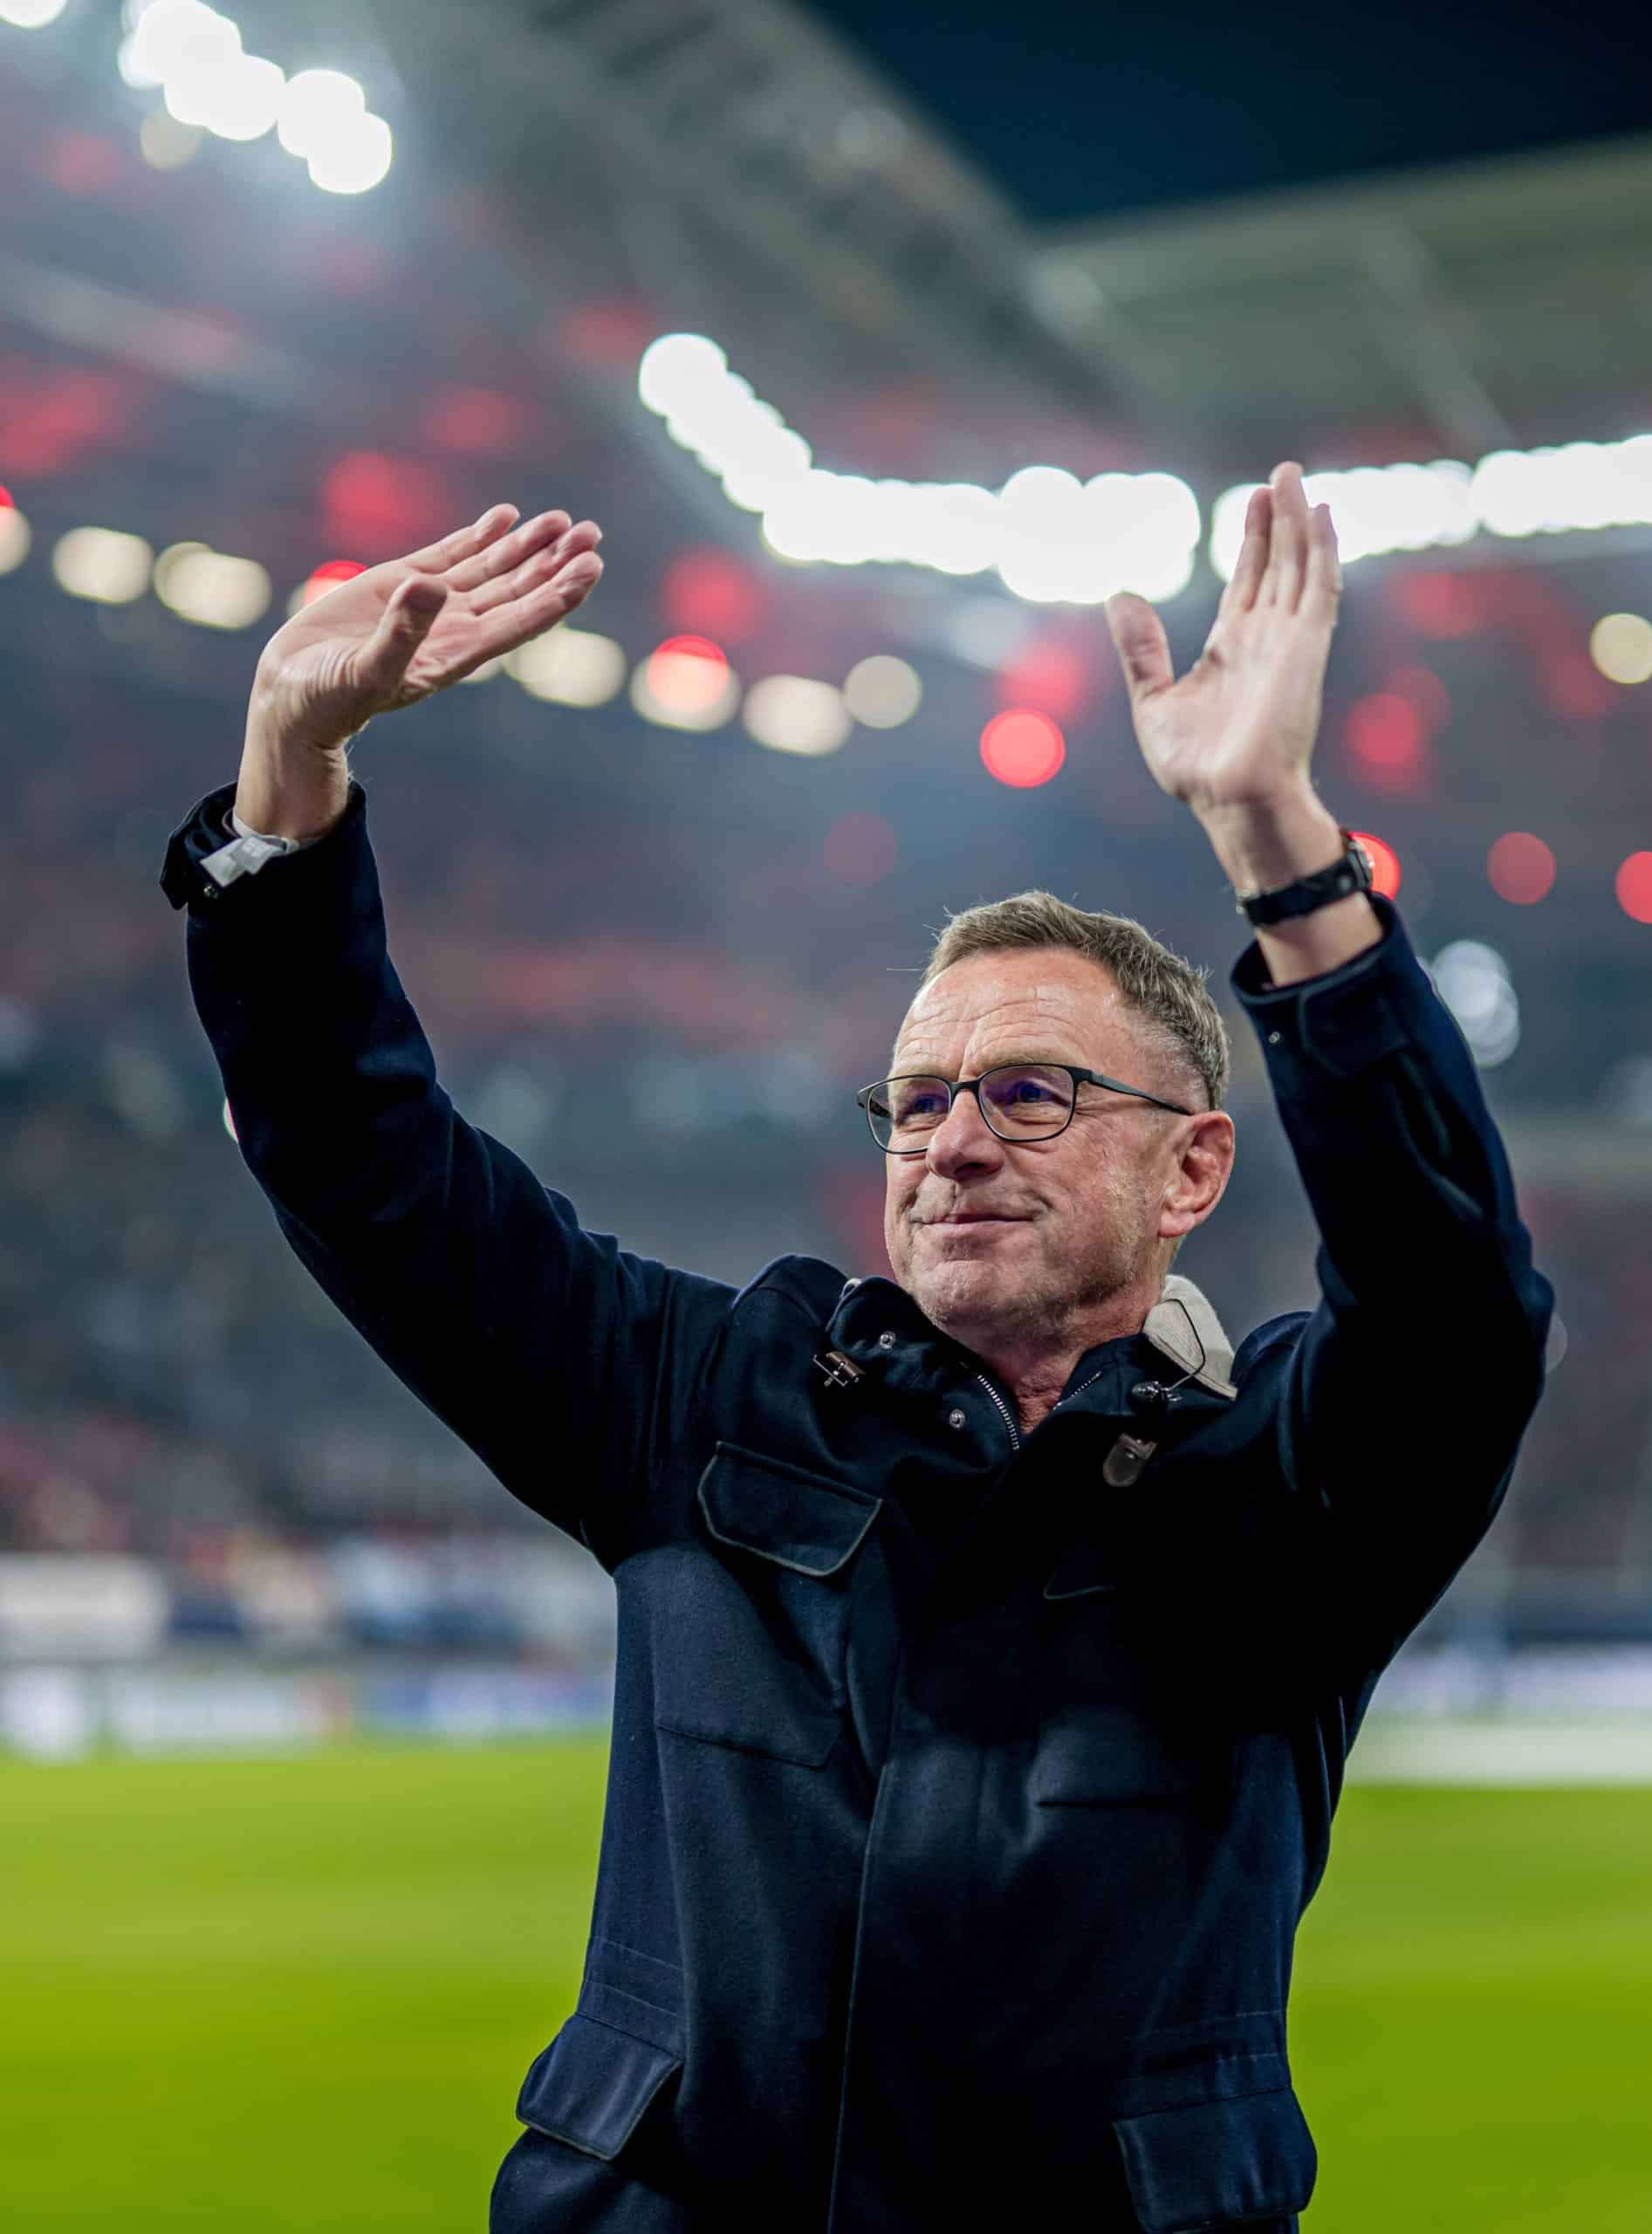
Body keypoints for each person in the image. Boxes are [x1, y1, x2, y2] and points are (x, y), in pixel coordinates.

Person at [161, 467, 1554, 2232]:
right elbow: (365, 1166)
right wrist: (288, 774)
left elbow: (1455, 1309)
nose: (951, 1142)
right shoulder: (700, 1396)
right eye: (914, 1101)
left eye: (1029, 1093)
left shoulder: (1277, 1471)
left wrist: (1281, 841)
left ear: (1193, 1167)